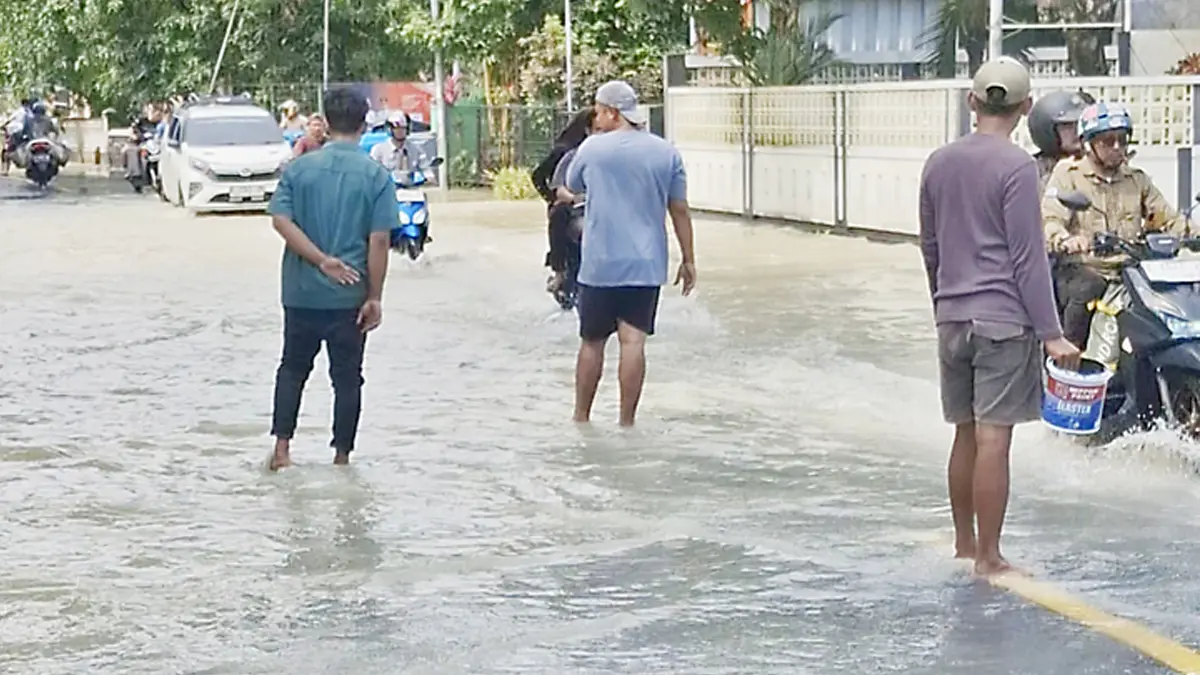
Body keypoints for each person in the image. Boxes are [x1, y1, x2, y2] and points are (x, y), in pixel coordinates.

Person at [918, 57, 1080, 577]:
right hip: (1003, 322)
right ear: (1025, 109)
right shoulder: (1016, 168)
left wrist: (943, 303)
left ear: (972, 103)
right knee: (994, 439)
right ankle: (990, 557)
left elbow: (930, 246)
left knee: (963, 433)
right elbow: (1027, 258)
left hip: (952, 317)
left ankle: (965, 542)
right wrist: (1053, 335)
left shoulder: (938, 162)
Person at [265, 86, 398, 471]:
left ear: (326, 119)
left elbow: (280, 220)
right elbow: (379, 240)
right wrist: (375, 296)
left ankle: (282, 451)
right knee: (348, 379)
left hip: (300, 292)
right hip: (349, 296)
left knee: (292, 369)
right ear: (363, 122)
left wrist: (319, 260)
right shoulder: (375, 175)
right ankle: (341, 459)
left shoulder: (300, 169)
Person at [564, 80, 697, 427]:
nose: (595, 117)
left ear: (611, 112)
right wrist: (689, 258)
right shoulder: (666, 152)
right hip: (646, 264)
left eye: (598, 110)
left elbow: (574, 186)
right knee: (633, 342)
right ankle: (626, 423)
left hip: (599, 265)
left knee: (592, 342)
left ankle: (581, 419)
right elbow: (679, 209)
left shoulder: (592, 149)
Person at [1042, 102, 1189, 350]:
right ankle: (1069, 361)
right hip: (1085, 267)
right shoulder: (1069, 174)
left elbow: (1168, 218)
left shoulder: (1137, 180)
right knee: (1087, 287)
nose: (1117, 147)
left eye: (1122, 140)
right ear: (1088, 144)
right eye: (1108, 141)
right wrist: (1066, 240)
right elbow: (1050, 220)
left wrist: (1190, 234)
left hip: (1129, 269)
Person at [545, 109, 598, 304]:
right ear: (587, 131)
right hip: (577, 213)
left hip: (607, 215)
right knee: (558, 213)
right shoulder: (572, 156)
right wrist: (575, 198)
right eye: (597, 130)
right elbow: (559, 188)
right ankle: (559, 272)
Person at [1026, 89, 1093, 191]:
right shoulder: (1032, 172)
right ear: (1046, 129)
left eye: (1079, 123)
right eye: (1067, 126)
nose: (1077, 130)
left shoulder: (1095, 165)